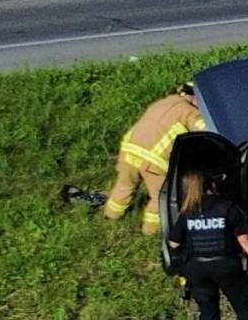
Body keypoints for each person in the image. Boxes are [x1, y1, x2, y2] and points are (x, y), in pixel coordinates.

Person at [77, 83, 203, 233]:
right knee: (161, 196)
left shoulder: (162, 103)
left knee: (125, 185)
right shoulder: (189, 112)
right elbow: (206, 131)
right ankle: (151, 231)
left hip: (128, 149)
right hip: (153, 161)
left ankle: (110, 217)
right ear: (191, 96)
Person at [166, 170, 248, 320]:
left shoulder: (188, 212)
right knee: (243, 305)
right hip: (226, 265)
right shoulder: (227, 207)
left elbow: (173, 243)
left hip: (197, 268)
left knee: (207, 309)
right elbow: (244, 239)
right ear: (212, 185)